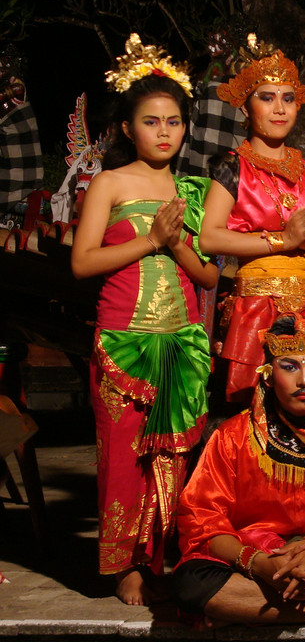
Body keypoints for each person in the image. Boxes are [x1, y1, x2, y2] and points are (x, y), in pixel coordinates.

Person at [70, 34, 217, 605]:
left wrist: (174, 245)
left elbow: (207, 277)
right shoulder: (109, 183)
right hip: (124, 338)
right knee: (123, 457)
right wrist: (149, 241)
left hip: (181, 338)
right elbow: (83, 263)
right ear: (129, 128)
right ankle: (124, 565)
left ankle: (168, 556)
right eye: (152, 121)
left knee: (177, 455)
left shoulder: (191, 188)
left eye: (174, 121)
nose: (164, 131)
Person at [173, 314, 305, 627]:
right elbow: (202, 519)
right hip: (257, 557)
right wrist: (260, 564)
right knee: (190, 581)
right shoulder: (233, 436)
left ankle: (250, 611)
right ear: (267, 374)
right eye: (289, 367)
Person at [199, 34, 305, 402]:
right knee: (251, 413)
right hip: (255, 309)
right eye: (266, 98)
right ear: (245, 107)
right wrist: (282, 240)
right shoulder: (232, 167)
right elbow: (209, 237)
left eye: (288, 98)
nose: (279, 109)